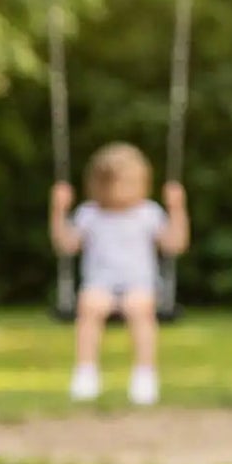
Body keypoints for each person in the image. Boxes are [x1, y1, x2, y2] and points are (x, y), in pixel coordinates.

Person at [48, 142, 190, 406]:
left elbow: (174, 244)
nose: (121, 189)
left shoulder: (148, 213)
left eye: (129, 183)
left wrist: (177, 208)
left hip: (139, 284)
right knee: (90, 305)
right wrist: (58, 210)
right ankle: (86, 372)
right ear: (98, 185)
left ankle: (145, 375)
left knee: (139, 307)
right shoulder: (89, 214)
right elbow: (66, 245)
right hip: (99, 283)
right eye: (113, 183)